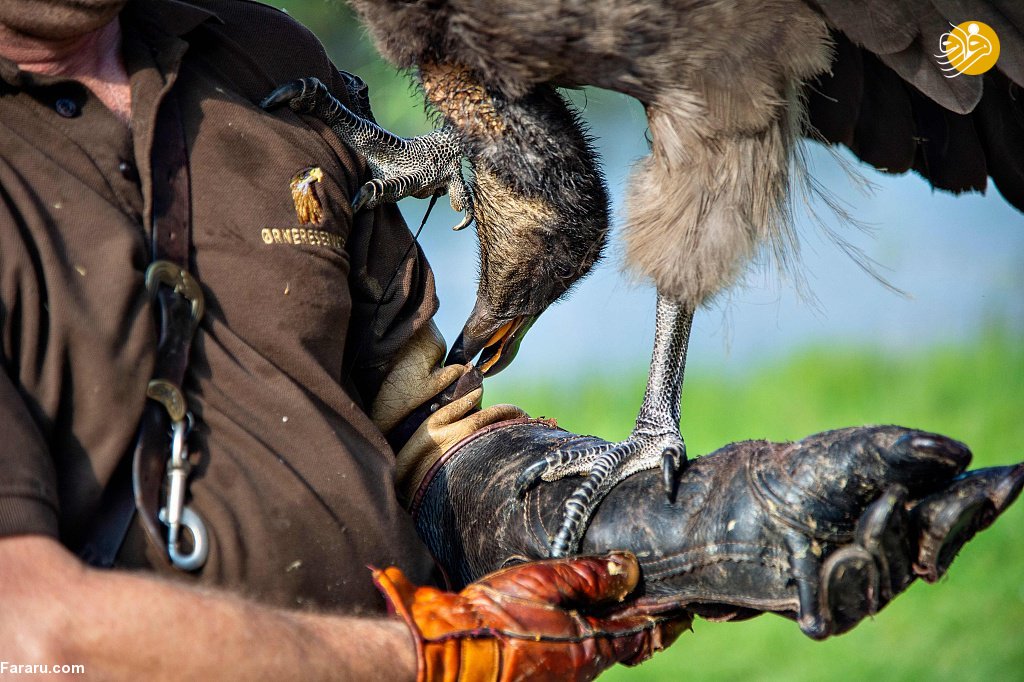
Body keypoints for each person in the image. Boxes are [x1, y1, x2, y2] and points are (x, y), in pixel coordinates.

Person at [0, 0, 684, 678]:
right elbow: (27, 633)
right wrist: (434, 659)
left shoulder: (258, 56)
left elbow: (419, 428)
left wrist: (630, 522)